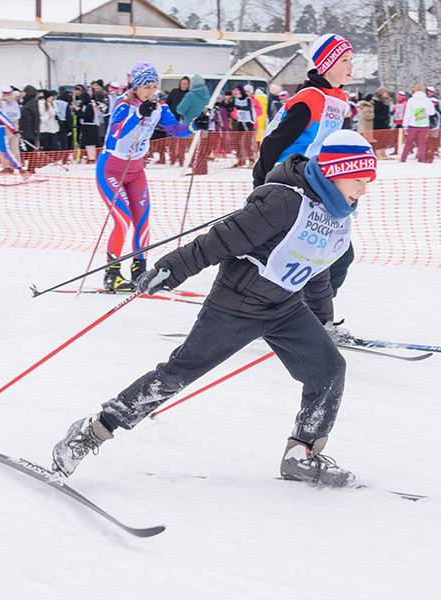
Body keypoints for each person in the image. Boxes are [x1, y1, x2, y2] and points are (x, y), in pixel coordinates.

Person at [51, 129, 377, 488]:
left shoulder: (335, 214)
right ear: (334, 172)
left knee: (329, 370)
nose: (363, 190)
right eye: (359, 180)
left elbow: (317, 268)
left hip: (285, 307)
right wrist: (172, 269)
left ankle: (301, 455)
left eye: (367, 182)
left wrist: (323, 318)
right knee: (176, 374)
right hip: (236, 305)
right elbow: (218, 242)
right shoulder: (283, 202)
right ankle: (91, 432)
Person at [96, 61, 210, 292]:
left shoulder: (159, 106)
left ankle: (139, 270)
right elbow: (116, 133)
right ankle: (112, 274)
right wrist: (138, 114)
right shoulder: (123, 104)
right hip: (111, 170)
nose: (152, 91)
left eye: (154, 86)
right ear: (136, 87)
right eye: (146, 87)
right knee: (122, 219)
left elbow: (175, 129)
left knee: (142, 221)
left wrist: (195, 125)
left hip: (136, 171)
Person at [253, 33, 353, 189]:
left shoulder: (338, 99)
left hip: (315, 178)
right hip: (288, 179)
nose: (351, 66)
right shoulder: (309, 100)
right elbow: (273, 143)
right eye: (344, 60)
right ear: (327, 65)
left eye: (351, 59)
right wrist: (259, 182)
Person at [401, 84, 435, 162]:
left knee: (409, 142)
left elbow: (407, 113)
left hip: (412, 124)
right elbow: (432, 113)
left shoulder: (411, 100)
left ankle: (403, 158)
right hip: (424, 125)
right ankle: (421, 158)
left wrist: (405, 125)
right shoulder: (428, 100)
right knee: (422, 143)